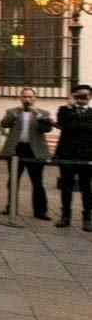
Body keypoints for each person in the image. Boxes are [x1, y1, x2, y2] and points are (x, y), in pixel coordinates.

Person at [0, 87, 53, 220]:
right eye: (24, 96)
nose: (27, 99)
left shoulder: (43, 113)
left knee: (37, 181)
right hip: (17, 149)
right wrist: (14, 114)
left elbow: (47, 128)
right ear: (20, 98)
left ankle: (40, 211)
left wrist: (38, 115)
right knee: (13, 180)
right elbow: (4, 124)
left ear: (35, 98)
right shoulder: (12, 111)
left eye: (30, 97)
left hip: (35, 151)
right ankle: (11, 207)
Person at [53, 84, 92, 231]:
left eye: (85, 95)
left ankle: (87, 218)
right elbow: (64, 125)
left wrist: (76, 124)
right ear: (73, 96)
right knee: (66, 187)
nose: (82, 98)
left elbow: (88, 128)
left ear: (90, 97)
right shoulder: (64, 110)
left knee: (86, 187)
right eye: (78, 95)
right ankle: (65, 217)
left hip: (86, 156)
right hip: (67, 154)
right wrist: (70, 107)